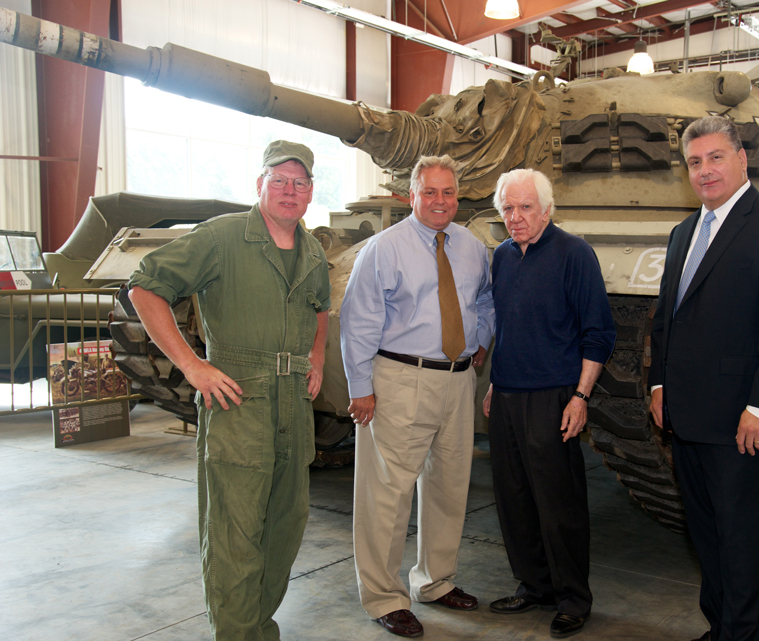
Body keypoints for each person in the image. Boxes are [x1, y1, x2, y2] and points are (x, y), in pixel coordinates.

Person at [127, 140, 330, 641]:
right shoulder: (220, 238)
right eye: (278, 180)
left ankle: (258, 629)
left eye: (298, 182)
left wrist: (318, 357)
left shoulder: (313, 250)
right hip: (239, 400)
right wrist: (193, 366)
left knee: (285, 528)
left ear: (310, 193)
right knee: (234, 537)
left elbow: (320, 308)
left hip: (293, 405)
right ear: (259, 185)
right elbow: (144, 286)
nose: (289, 190)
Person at [649, 116, 759, 641]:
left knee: (744, 544)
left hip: (743, 419)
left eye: (716, 157)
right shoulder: (683, 233)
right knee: (708, 537)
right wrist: (659, 385)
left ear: (741, 159)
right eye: (695, 162)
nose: (705, 171)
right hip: (688, 417)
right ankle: (722, 627)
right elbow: (666, 319)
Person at [339, 154, 495, 638]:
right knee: (387, 493)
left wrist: (482, 342)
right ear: (412, 195)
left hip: (457, 379)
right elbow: (357, 321)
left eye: (448, 192)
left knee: (450, 486)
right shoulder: (384, 249)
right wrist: (361, 388)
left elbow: (485, 300)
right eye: (430, 192)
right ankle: (384, 597)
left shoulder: (471, 246)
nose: (440, 201)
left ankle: (436, 580)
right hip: (401, 378)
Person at [482, 168, 616, 639]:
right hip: (508, 395)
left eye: (524, 208)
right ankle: (534, 584)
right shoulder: (500, 256)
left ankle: (573, 597)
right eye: (507, 209)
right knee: (514, 498)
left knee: (559, 503)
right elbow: (507, 328)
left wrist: (581, 395)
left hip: (554, 397)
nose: (514, 218)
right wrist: (496, 383)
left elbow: (599, 333)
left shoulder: (574, 254)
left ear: (547, 209)